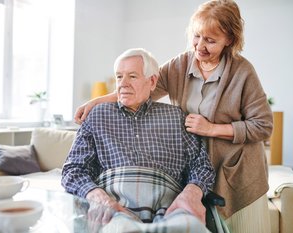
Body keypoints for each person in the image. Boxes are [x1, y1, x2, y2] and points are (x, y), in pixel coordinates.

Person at [74, 1, 273, 232]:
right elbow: (143, 86)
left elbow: (263, 125)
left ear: (229, 39)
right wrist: (95, 102)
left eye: (210, 40)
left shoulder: (242, 71)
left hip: (236, 167)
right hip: (201, 166)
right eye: (197, 36)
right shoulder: (181, 64)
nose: (200, 46)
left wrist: (212, 129)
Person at [62, 48, 215, 232]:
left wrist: (192, 193)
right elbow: (73, 169)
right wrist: (99, 198)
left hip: (170, 209)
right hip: (114, 207)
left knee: (191, 227)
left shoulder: (176, 117)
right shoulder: (97, 116)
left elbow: (202, 165)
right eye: (119, 77)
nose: (123, 84)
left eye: (132, 76)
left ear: (152, 81)